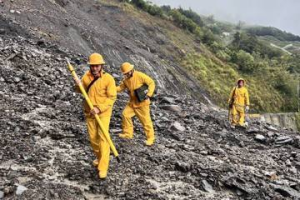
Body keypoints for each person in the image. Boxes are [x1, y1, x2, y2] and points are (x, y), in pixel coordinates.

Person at [75, 53, 117, 179]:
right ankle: (99, 158)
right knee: (93, 140)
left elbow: (112, 97)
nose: (94, 68)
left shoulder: (108, 79)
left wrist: (99, 108)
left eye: (97, 66)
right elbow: (80, 90)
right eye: (92, 66)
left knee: (103, 138)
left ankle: (103, 167)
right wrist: (78, 84)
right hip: (89, 113)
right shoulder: (86, 77)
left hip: (103, 114)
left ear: (101, 66)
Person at [117, 62, 156, 146]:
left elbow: (151, 83)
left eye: (127, 72)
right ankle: (128, 134)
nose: (126, 74)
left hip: (142, 103)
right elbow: (121, 87)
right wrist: (111, 89)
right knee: (125, 115)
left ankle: (150, 138)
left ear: (131, 70)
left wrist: (149, 94)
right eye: (125, 73)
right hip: (132, 103)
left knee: (146, 121)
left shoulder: (140, 75)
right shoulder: (126, 80)